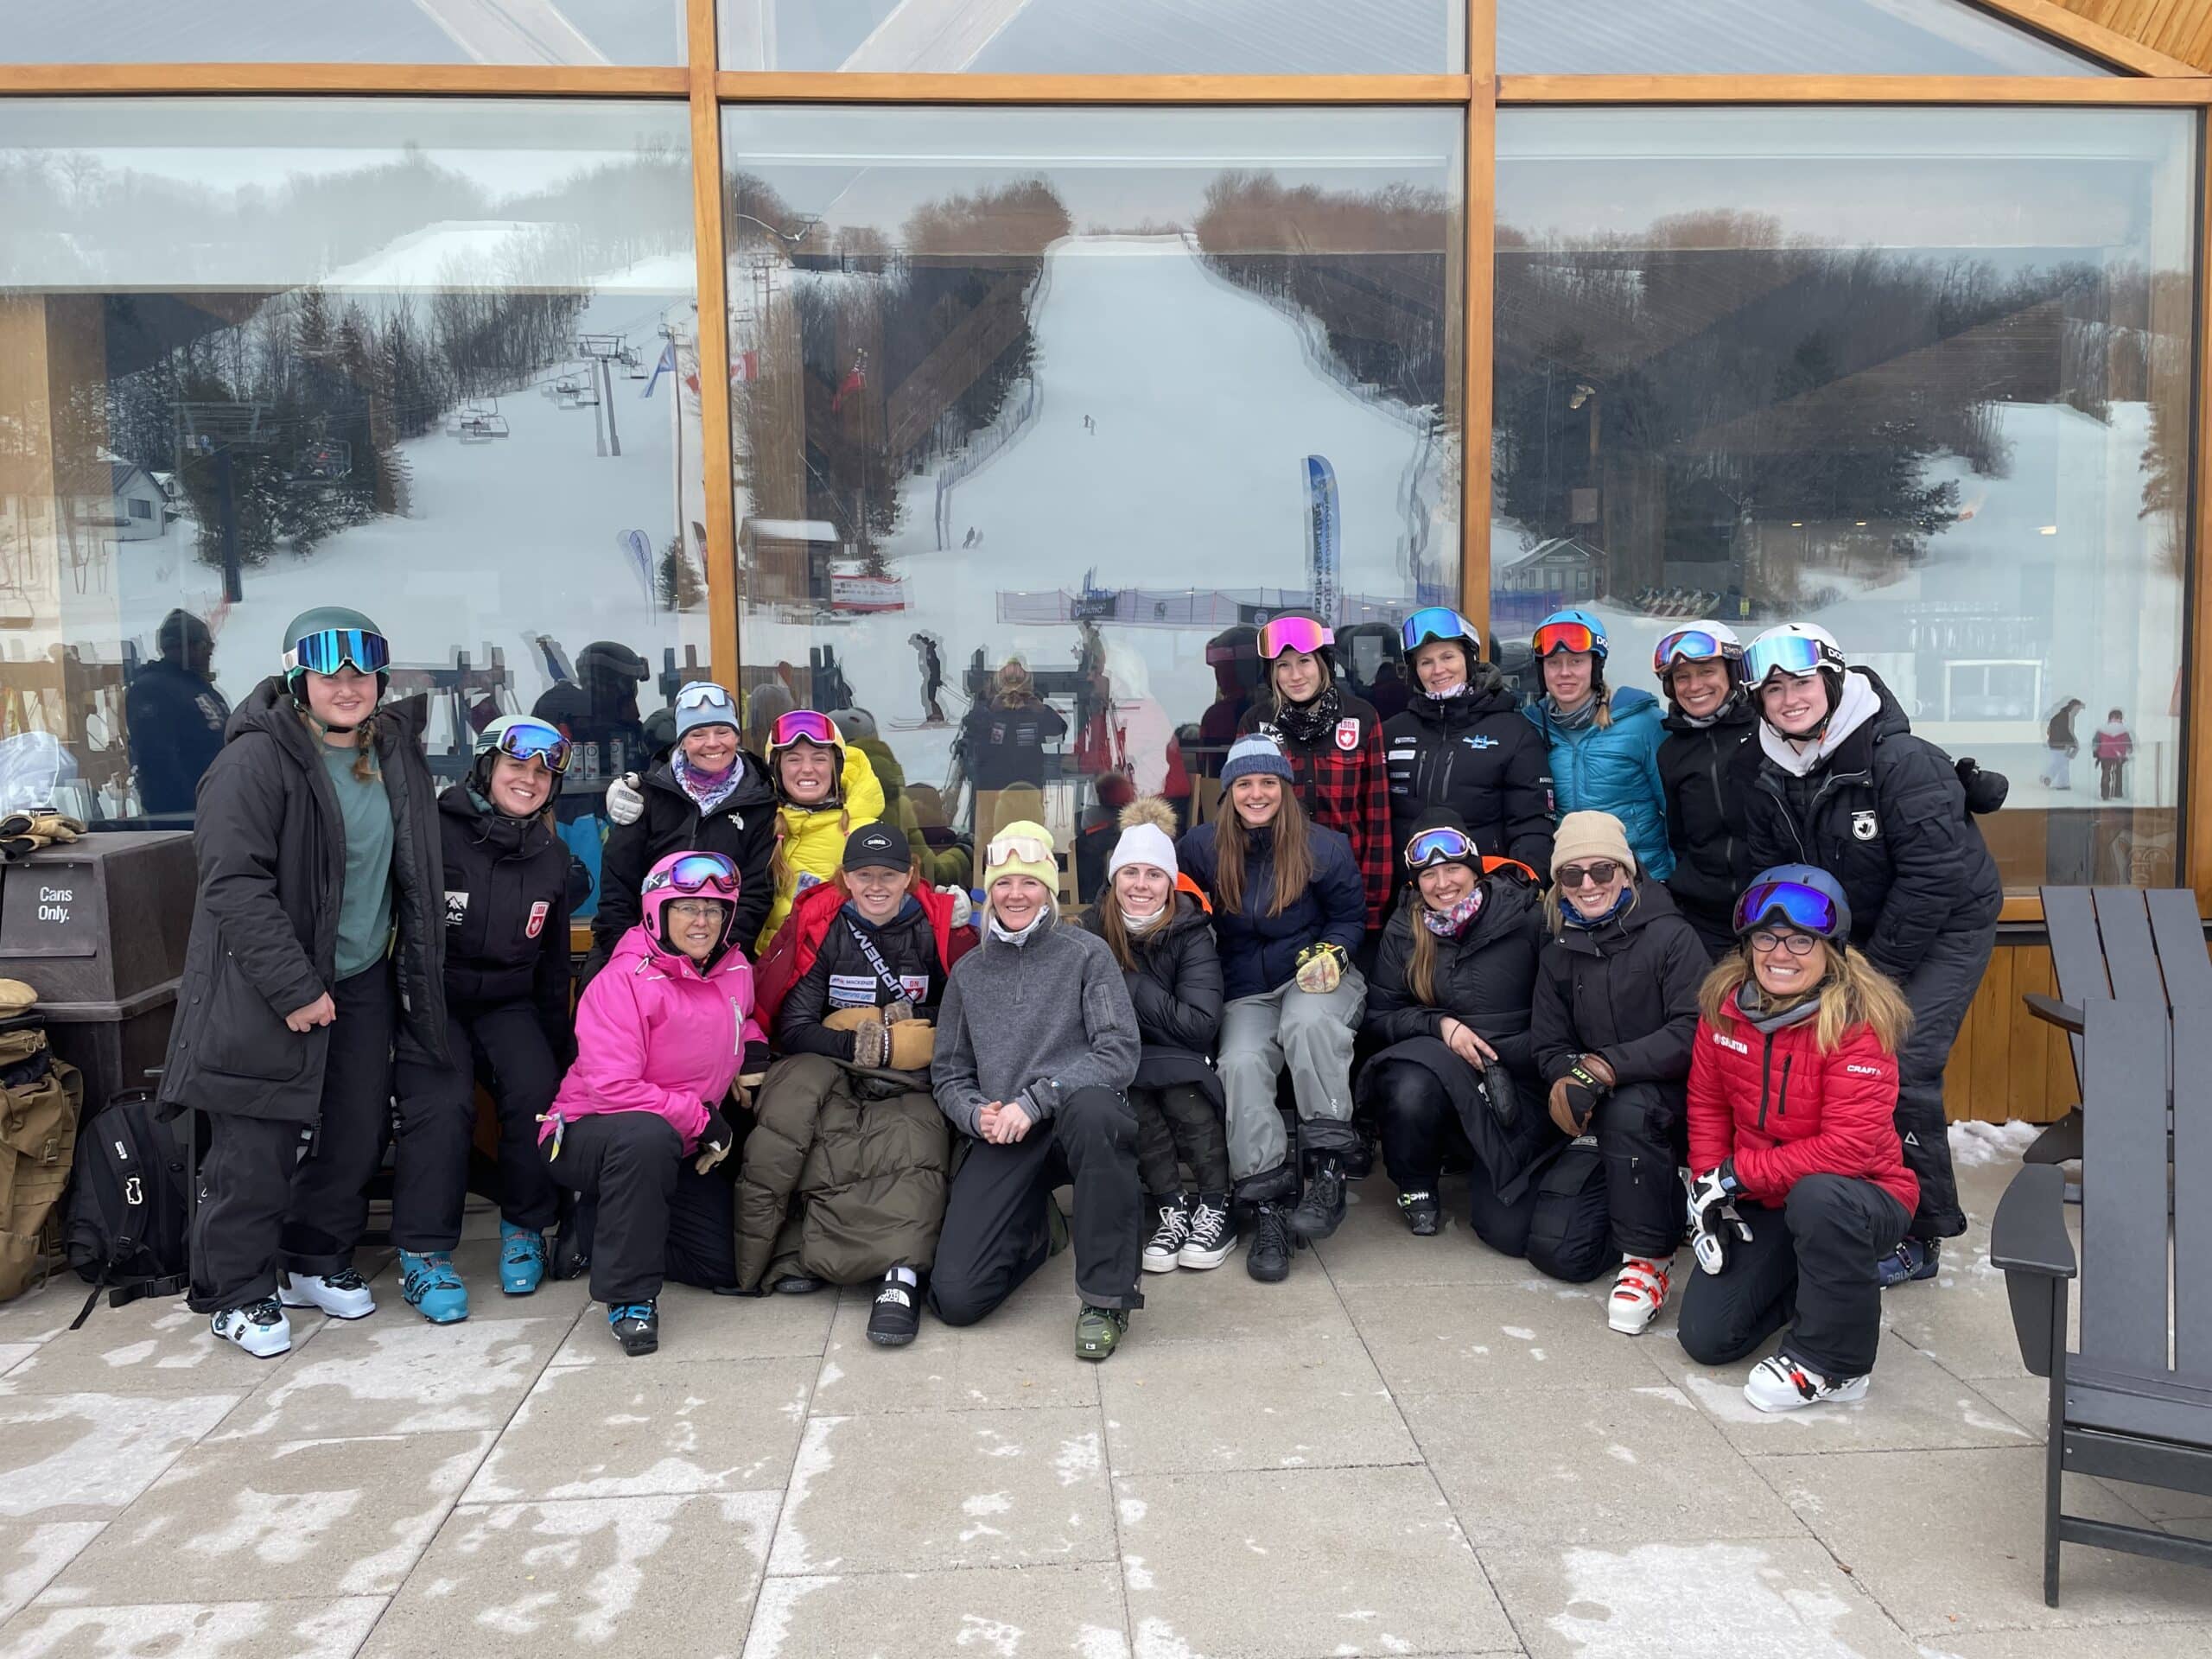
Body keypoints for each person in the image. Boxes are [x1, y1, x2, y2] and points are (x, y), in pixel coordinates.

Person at [164, 608, 448, 1358]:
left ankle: (312, 1256)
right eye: (329, 675)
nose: (347, 688)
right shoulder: (255, 762)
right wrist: (293, 987)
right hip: (268, 986)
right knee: (255, 1149)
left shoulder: (392, 751)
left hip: (362, 977)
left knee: (357, 1131)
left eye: (361, 674)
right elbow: (233, 884)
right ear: (298, 679)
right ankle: (236, 1292)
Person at [1737, 622, 2000, 1285]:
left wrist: (1869, 974)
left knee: (1897, 1062)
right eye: (1773, 689)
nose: (1789, 699)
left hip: (1945, 922)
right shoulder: (1769, 766)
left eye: (1800, 682)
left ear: (1830, 680)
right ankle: (1834, 1200)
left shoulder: (1900, 759)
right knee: (1812, 1052)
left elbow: (1934, 878)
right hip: (1852, 925)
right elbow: (1774, 874)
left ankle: (1921, 1231)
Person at [1677, 867, 1917, 1412]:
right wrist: (1711, 1192)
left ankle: (1834, 1363)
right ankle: (1820, 1286)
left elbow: (1848, 1149)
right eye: (1766, 937)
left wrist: (1735, 1175)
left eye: (1801, 940)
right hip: (1768, 1198)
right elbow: (1708, 1106)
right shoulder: (1725, 1009)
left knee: (1818, 1197)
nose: (1780, 953)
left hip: (1861, 1194)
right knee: (1708, 1338)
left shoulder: (1857, 1022)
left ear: (1831, 949)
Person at [738, 822, 975, 1345]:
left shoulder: (932, 928)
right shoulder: (828, 929)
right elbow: (795, 1026)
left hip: (912, 1072)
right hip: (841, 1063)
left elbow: (963, 1009)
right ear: (845, 877)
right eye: (863, 875)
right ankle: (804, 1252)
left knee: (914, 1137)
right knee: (813, 1120)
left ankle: (901, 1273)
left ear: (910, 875)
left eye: (888, 875)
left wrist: (905, 1030)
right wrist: (870, 1045)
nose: (876, 886)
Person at [929, 821, 1146, 1360]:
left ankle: (1105, 1300)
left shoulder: (1086, 954)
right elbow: (949, 1072)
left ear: (1048, 890)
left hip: (1075, 1117)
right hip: (1006, 1132)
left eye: (1029, 882)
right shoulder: (969, 972)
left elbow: (1118, 1051)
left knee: (1097, 1115)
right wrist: (973, 1113)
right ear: (989, 892)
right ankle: (1040, 1232)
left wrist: (1039, 1098)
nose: (1015, 895)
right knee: (957, 1299)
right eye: (1003, 883)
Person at [542, 850, 766, 1356]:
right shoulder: (623, 980)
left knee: (723, 1265)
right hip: (588, 1134)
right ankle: (629, 1297)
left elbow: (742, 1016)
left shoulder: (733, 967)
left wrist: (752, 1048)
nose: (702, 921)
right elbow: (612, 1088)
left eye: (713, 909)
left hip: (676, 1142)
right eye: (686, 908)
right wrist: (702, 1119)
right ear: (657, 911)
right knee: (646, 1135)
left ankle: (596, 1230)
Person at [390, 716, 575, 1322]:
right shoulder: (431, 830)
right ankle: (424, 1252)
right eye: (516, 766)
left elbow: (552, 964)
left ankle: (526, 1227)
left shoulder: (551, 854)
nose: (529, 780)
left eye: (542, 774)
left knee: (536, 1092)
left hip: (507, 999)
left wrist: (558, 1049)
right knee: (443, 1104)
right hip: (433, 996)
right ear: (486, 768)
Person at [1177, 734, 1366, 1281]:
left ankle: (1327, 1172)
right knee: (1239, 1063)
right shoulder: (1201, 847)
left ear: (1284, 787)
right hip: (1245, 987)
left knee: (1308, 1023)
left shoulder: (1323, 846)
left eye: (1267, 782)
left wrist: (1333, 952)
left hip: (1313, 974)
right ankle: (1267, 1206)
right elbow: (1180, 910)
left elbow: (1350, 919)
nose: (1256, 794)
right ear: (1228, 791)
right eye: (1244, 783)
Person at [1525, 812, 1706, 1332]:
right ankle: (1659, 1206)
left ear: (1626, 873)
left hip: (1679, 1103)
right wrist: (1569, 1079)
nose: (1588, 885)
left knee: (1632, 1105)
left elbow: (1693, 1029)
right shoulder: (1559, 951)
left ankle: (1649, 1258)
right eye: (1572, 874)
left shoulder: (1672, 936)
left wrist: (1607, 1067)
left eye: (1602, 870)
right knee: (1558, 1249)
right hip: (1606, 1108)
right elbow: (1550, 1044)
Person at [1359, 810, 1546, 1236]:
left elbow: (1556, 1008)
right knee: (1406, 1081)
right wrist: (1441, 1025)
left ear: (1475, 870)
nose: (1442, 883)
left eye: (1453, 869)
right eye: (1429, 875)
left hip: (1518, 1073)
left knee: (1507, 1227)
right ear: (1415, 882)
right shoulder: (1404, 929)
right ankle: (1416, 1184)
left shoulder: (1527, 917)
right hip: (1444, 1070)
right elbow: (1379, 1017)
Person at [1078, 798, 1233, 1274]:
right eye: (1130, 873)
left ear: (1170, 881)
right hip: (1122, 1054)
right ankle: (1172, 1207)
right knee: (1135, 1093)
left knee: (1181, 1092)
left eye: (1153, 874)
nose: (1141, 885)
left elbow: (1199, 1025)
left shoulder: (1191, 931)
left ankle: (1216, 1203)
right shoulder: (1091, 929)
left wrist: (1128, 983)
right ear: (1114, 878)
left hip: (1183, 1056)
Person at [592, 683, 776, 980]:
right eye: (698, 734)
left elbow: (755, 895)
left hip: (717, 959)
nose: (712, 743)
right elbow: (618, 887)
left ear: (736, 736)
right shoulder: (648, 795)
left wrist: (713, 958)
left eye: (723, 731)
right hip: (642, 958)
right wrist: (630, 960)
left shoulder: (759, 801)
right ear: (682, 741)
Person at [1237, 614, 1393, 931]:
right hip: (1275, 892)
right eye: (1283, 665)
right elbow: (1237, 816)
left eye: (1304, 661)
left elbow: (1377, 817)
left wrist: (1372, 906)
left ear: (1324, 664)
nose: (1295, 675)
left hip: (1345, 890)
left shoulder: (1362, 717)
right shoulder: (1255, 723)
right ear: (1271, 673)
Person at [1382, 607, 1553, 880]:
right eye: (1426, 662)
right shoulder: (1391, 732)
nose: (1438, 670)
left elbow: (1531, 825)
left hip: (1486, 892)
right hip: (1408, 892)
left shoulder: (1513, 732)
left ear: (1469, 659)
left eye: (1448, 657)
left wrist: (1520, 887)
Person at [1523, 608, 1673, 880]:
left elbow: (1676, 810)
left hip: (1641, 878)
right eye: (1553, 663)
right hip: (1573, 882)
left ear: (1596, 665)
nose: (1564, 673)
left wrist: (1675, 883)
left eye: (1576, 661)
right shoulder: (1530, 727)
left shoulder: (1642, 723)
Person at [1654, 624, 1758, 961]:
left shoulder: (1767, 730)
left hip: (1771, 902)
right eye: (1682, 677)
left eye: (1707, 671)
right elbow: (1680, 837)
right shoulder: (1671, 752)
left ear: (1732, 673)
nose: (1695, 686)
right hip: (1705, 914)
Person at [759, 709, 887, 954]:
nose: (807, 769)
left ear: (835, 767)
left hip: (838, 967)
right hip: (766, 968)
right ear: (777, 768)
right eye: (794, 759)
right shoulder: (761, 827)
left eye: (819, 759)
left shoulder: (865, 833)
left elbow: (897, 903)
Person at [126, 608, 230, 818]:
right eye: (204, 645)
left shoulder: (200, 688)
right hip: (185, 818)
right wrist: (188, 813)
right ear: (180, 648)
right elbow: (157, 762)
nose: (210, 652)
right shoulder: (152, 690)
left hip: (219, 807)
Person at [961, 658, 1067, 849]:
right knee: (989, 842)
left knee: (1032, 840)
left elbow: (1059, 730)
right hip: (991, 791)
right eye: (1008, 681)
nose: (1014, 691)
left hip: (1029, 790)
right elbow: (970, 727)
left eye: (1019, 682)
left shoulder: (1035, 710)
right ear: (997, 683)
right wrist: (991, 708)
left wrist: (1039, 708)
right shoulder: (988, 709)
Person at [2040, 697, 2085, 792]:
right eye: (2077, 709)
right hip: (2060, 744)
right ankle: (2056, 781)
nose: (2078, 712)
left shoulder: (2062, 715)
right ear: (2073, 707)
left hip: (2057, 743)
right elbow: (2067, 732)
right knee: (2062, 763)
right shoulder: (2066, 717)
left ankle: (2050, 778)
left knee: (2061, 762)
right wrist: (2074, 744)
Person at [2094, 709, 2134, 801]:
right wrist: (2129, 749)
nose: (2118, 720)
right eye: (2117, 718)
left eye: (2119, 718)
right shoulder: (2123, 730)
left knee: (2106, 774)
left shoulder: (2102, 729)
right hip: (2118, 756)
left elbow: (2096, 742)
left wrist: (2096, 751)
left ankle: (2105, 794)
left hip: (2105, 756)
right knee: (2117, 774)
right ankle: (2117, 793)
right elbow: (2128, 743)